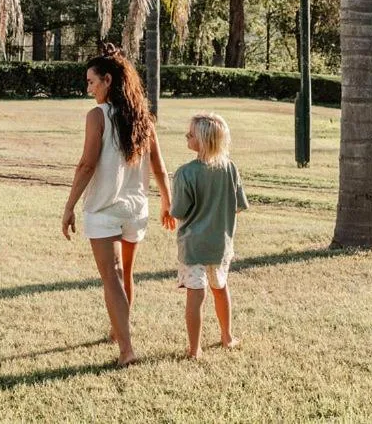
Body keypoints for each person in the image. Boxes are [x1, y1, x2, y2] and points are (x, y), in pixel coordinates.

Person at [60, 44, 176, 366]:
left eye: (92, 82)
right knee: (126, 273)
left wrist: (69, 206)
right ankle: (118, 331)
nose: (89, 89)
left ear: (108, 80)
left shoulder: (97, 116)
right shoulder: (143, 118)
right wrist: (167, 203)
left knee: (110, 276)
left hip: (104, 208)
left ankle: (126, 350)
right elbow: (160, 167)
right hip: (135, 210)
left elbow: (86, 165)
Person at [170, 113, 249, 359]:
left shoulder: (184, 173)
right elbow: (238, 205)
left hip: (193, 247)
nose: (187, 136)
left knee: (196, 295)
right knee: (220, 288)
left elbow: (179, 211)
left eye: (191, 134)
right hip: (220, 245)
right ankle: (227, 336)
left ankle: (195, 350)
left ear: (203, 141)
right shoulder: (230, 168)